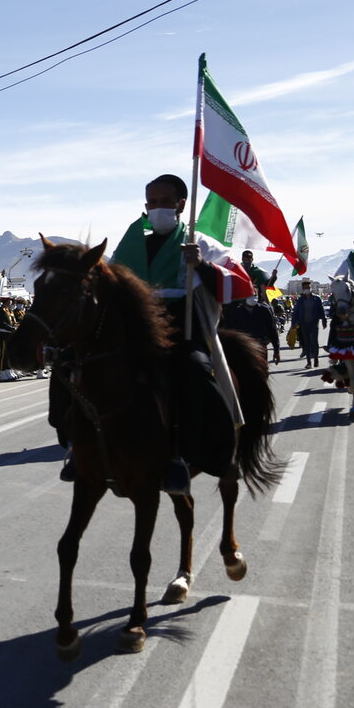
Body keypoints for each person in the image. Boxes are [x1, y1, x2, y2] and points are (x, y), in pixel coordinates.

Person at [106, 172, 247, 495]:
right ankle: (79, 445)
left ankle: (184, 455)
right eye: (152, 202)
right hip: (133, 332)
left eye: (165, 202)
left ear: (181, 205)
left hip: (181, 332)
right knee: (82, 364)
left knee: (196, 371)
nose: (157, 208)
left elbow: (240, 285)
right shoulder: (130, 241)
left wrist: (204, 266)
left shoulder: (201, 243)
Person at [221, 296, 281, 364]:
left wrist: (276, 351)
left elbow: (272, 330)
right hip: (243, 348)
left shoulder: (264, 310)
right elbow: (230, 331)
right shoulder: (235, 311)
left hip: (260, 346)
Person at [290, 280, 328, 368]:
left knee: (314, 342)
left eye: (308, 287)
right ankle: (308, 362)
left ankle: (316, 360)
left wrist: (324, 320)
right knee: (306, 343)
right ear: (303, 289)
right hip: (304, 324)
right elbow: (295, 312)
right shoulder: (300, 300)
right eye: (305, 288)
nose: (307, 289)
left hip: (314, 323)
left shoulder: (317, 299)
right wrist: (293, 324)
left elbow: (321, 310)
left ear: (311, 288)